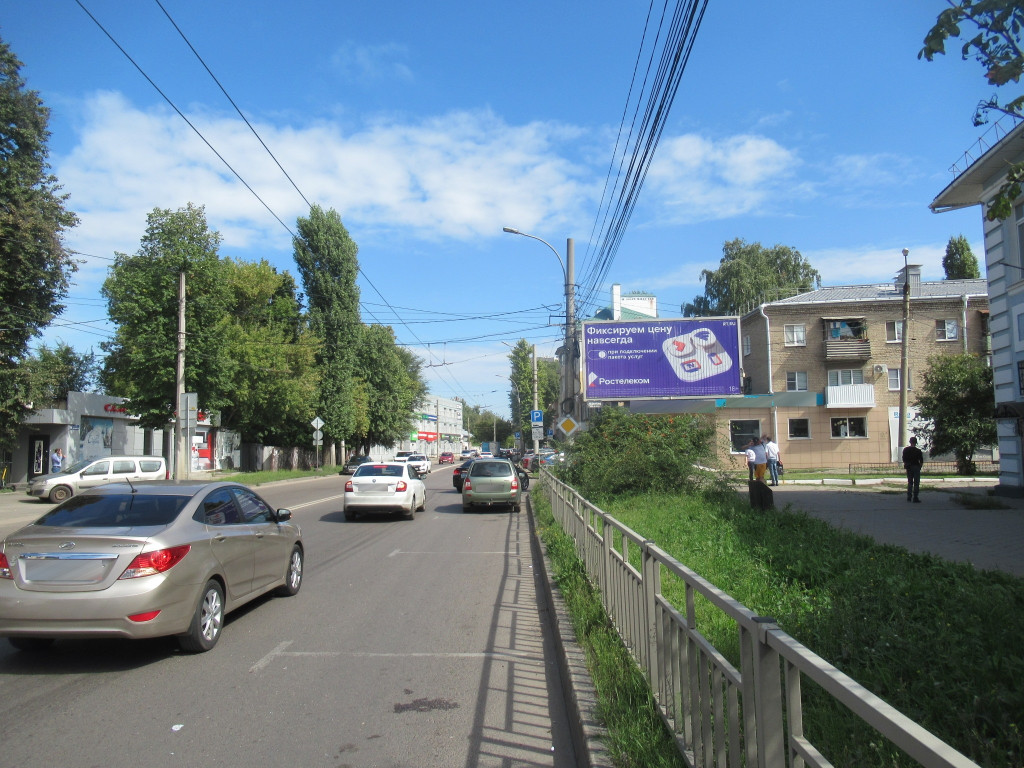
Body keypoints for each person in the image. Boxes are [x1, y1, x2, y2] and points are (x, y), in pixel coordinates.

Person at [902, 436, 924, 503]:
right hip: (916, 467)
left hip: (909, 467)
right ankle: (915, 497)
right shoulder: (918, 451)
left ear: (910, 442)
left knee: (910, 482)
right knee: (916, 483)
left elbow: (904, 459)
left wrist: (906, 464)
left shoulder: (906, 450)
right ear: (916, 442)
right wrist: (919, 467)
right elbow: (921, 461)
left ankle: (909, 497)